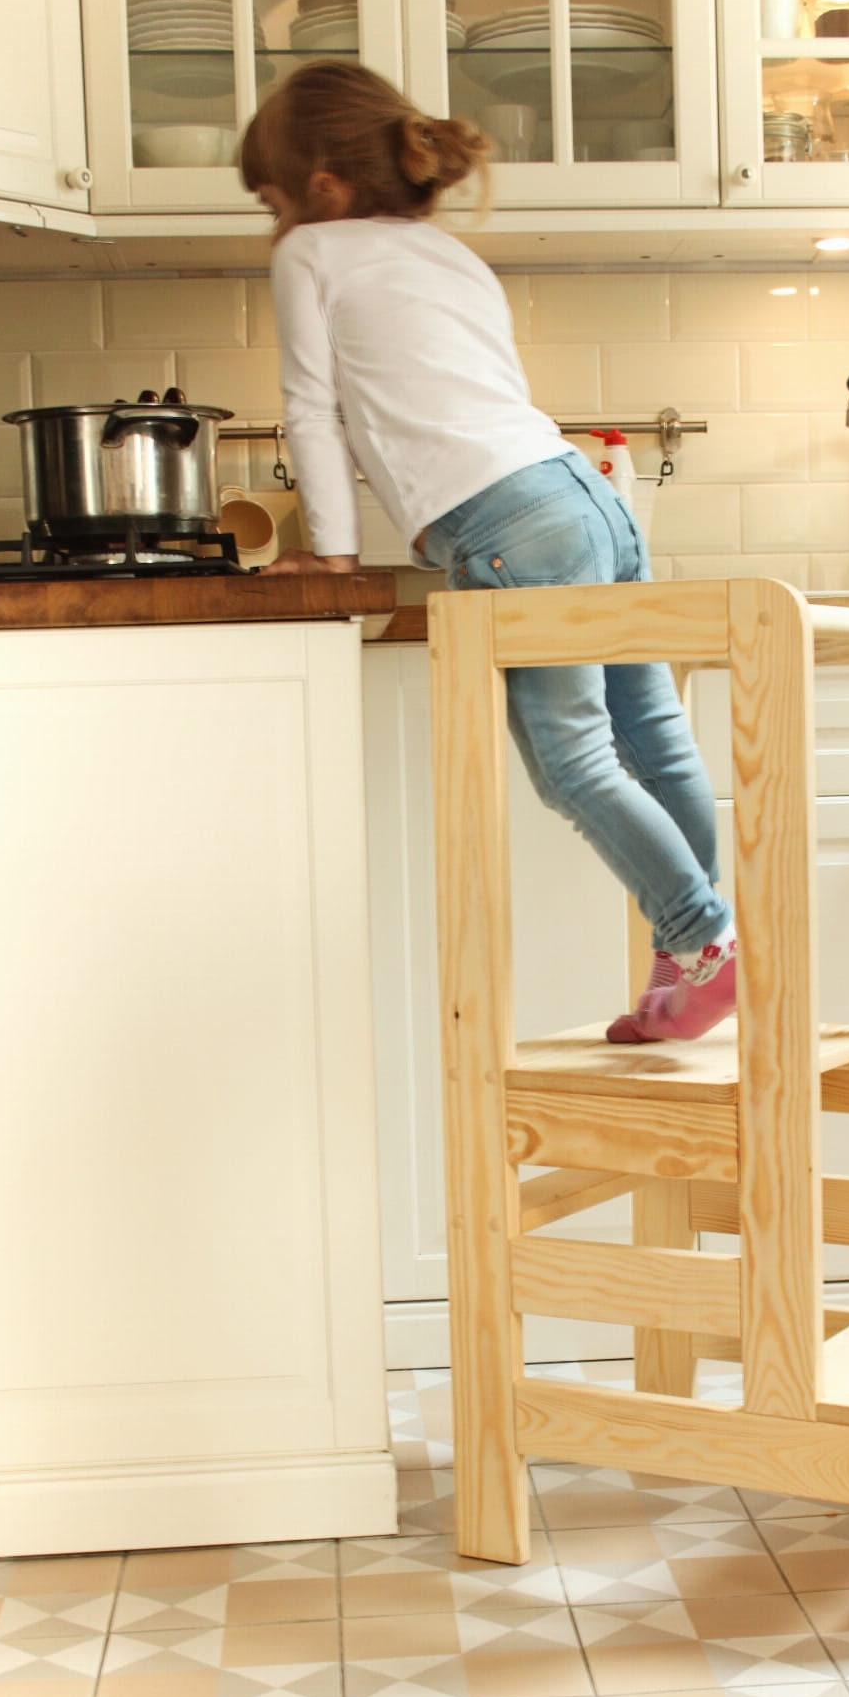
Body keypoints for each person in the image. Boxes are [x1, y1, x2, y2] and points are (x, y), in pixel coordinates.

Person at [239, 61, 735, 1042]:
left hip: (510, 526)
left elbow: (313, 412)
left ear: (321, 187)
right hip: (588, 494)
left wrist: (334, 559)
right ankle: (696, 947)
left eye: (270, 201)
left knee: (571, 764)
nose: (272, 222)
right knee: (651, 732)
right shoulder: (452, 255)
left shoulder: (311, 252)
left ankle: (702, 941)